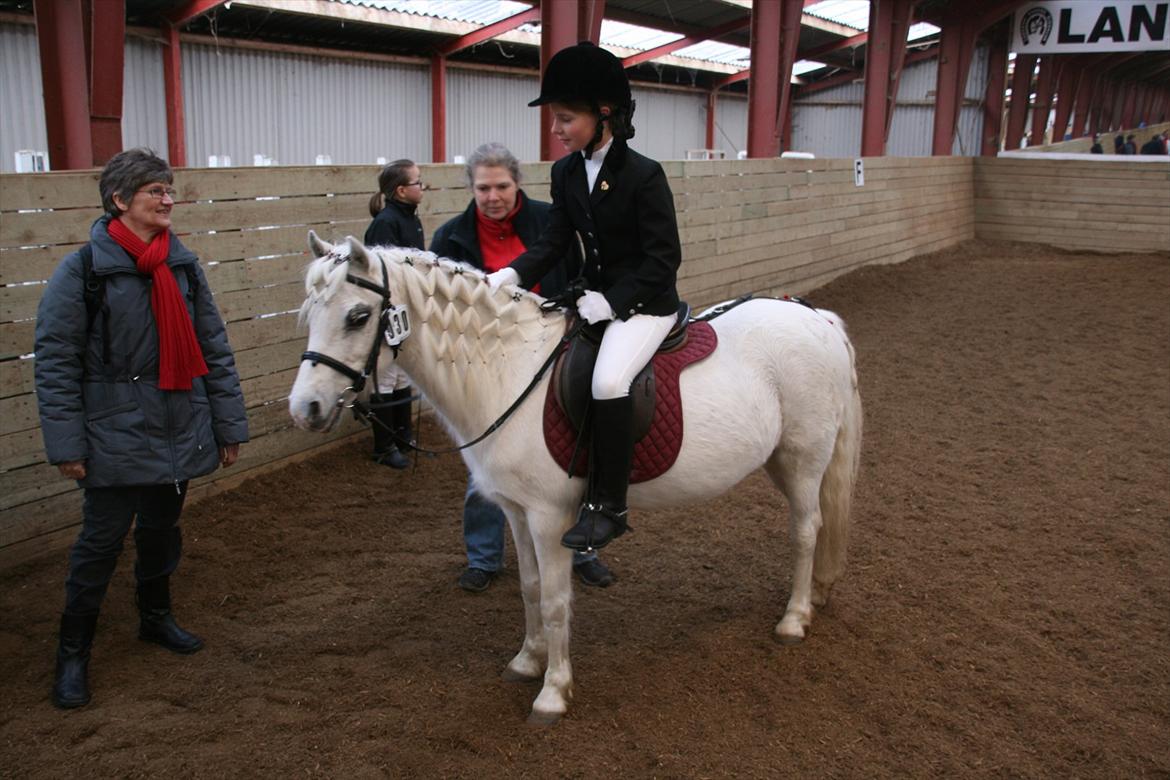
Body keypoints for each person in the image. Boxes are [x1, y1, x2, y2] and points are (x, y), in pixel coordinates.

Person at [34, 148, 249, 709]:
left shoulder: (183, 266)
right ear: (120, 199)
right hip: (113, 435)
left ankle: (155, 617)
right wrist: (68, 445)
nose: (168, 199)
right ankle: (73, 652)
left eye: (169, 189)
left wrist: (227, 426)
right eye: (156, 191)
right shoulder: (83, 271)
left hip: (179, 425)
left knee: (161, 531)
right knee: (100, 544)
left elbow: (213, 348)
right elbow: (56, 362)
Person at [486, 42, 682, 553]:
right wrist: (511, 274)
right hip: (592, 301)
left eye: (565, 118)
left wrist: (613, 303)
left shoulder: (644, 175)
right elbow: (554, 241)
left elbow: (663, 259)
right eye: (554, 117)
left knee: (610, 380)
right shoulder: (566, 172)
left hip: (645, 305)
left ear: (604, 114)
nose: (555, 128)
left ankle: (609, 506)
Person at [431, 142, 615, 590]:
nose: (492, 196)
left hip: (552, 352)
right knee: (487, 458)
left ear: (517, 183)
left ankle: (581, 549)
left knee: (570, 451)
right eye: (483, 188)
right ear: (471, 188)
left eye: (501, 186)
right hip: (485, 367)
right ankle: (484, 556)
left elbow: (578, 276)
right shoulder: (450, 239)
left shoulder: (550, 224)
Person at [363, 160, 425, 469]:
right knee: (385, 375)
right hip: (390, 312)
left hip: (407, 309)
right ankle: (384, 446)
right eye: (418, 182)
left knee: (402, 372)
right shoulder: (385, 223)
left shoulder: (411, 218)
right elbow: (378, 273)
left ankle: (403, 436)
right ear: (401, 190)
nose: (422, 187)